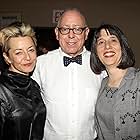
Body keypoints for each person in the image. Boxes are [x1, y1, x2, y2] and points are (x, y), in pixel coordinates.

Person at [32, 8, 105, 140]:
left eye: (77, 29)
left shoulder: (101, 64)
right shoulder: (39, 64)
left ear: (86, 32)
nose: (71, 35)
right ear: (57, 33)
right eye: (65, 29)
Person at [90, 24, 140, 140]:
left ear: (123, 46)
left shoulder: (137, 80)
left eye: (113, 40)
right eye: (101, 42)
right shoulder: (102, 83)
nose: (107, 46)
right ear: (96, 52)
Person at [0, 22, 46, 140]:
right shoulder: (2, 90)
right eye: (18, 52)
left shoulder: (33, 85)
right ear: (7, 57)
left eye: (31, 50)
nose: (27, 57)